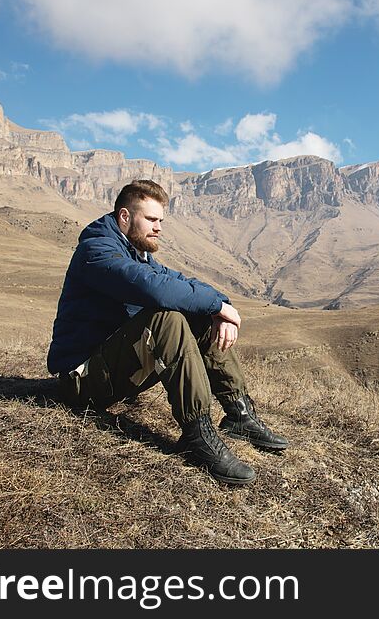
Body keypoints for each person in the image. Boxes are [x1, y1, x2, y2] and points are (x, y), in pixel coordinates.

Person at [47, 179, 287, 485]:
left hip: (110, 371)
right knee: (167, 319)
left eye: (160, 220)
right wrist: (217, 305)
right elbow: (152, 288)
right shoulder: (97, 251)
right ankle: (196, 435)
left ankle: (239, 415)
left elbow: (183, 282)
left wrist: (220, 308)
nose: (158, 227)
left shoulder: (137, 253)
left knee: (200, 319)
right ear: (124, 216)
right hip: (79, 380)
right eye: (150, 219)